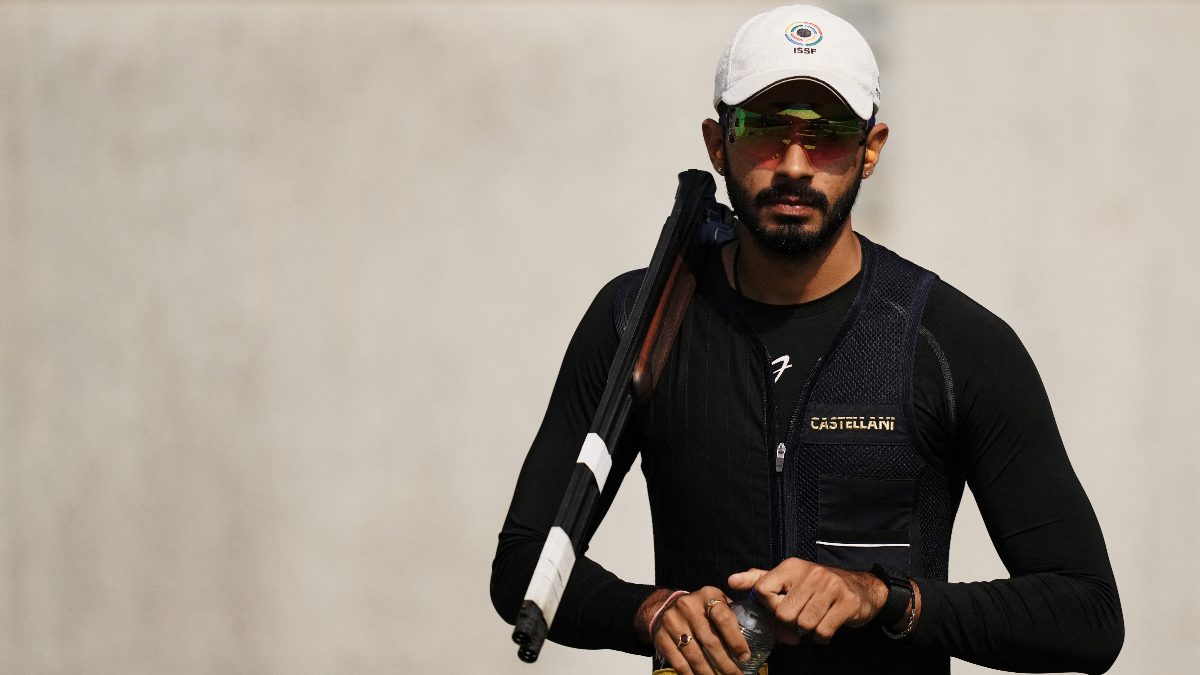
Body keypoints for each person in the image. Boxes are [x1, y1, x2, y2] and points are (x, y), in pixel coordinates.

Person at [490, 5, 1124, 674]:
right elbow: (526, 562)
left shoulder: (954, 343)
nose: (793, 164)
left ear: (870, 148)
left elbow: (1087, 614)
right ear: (716, 142)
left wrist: (885, 598)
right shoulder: (640, 318)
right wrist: (652, 611)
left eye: (825, 136)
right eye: (765, 129)